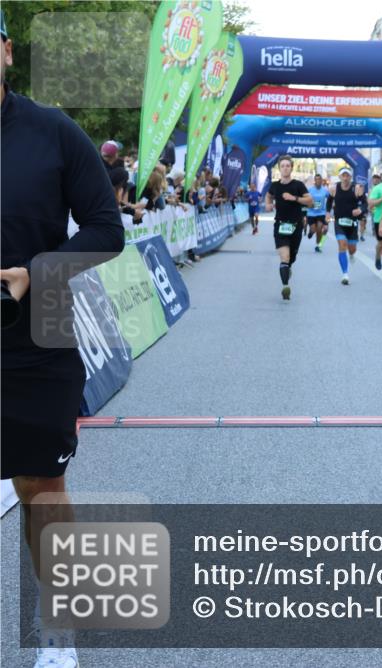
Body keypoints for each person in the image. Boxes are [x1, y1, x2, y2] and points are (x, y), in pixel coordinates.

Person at [1, 13, 126, 666]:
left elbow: (107, 227)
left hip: (39, 336)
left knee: (40, 488)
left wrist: (38, 272)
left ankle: (58, 635)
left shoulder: (51, 130)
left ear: (6, 49)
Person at [264, 155, 312, 300]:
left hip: (296, 226)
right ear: (279, 168)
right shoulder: (275, 185)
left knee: (291, 258)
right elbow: (268, 196)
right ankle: (285, 287)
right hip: (280, 226)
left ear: (291, 168)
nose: (285, 168)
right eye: (283, 165)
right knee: (284, 257)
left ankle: (287, 268)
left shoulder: (298, 185)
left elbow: (310, 201)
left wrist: (295, 198)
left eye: (288, 165)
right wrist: (268, 204)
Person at [325, 166, 363, 285]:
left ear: (350, 177)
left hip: (352, 222)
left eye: (348, 176)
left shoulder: (356, 188)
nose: (345, 178)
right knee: (342, 245)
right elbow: (329, 201)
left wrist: (360, 209)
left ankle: (351, 255)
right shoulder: (334, 188)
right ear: (340, 177)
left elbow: (365, 203)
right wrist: (327, 213)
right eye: (343, 175)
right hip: (339, 221)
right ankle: (345, 274)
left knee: (352, 249)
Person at [305, 174, 329, 252]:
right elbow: (306, 200)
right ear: (314, 181)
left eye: (319, 179)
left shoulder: (325, 190)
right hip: (311, 213)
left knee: (321, 228)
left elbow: (330, 199)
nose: (318, 181)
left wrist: (330, 210)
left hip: (321, 213)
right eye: (316, 179)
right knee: (313, 229)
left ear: (322, 181)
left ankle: (319, 245)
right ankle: (311, 232)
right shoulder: (310, 190)